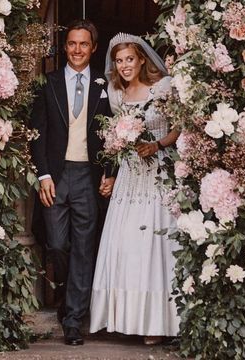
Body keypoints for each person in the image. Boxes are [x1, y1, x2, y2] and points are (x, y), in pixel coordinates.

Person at [90, 33, 181, 345]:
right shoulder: (116, 93)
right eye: (119, 61)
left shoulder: (163, 87)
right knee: (126, 243)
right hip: (130, 175)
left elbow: (178, 126)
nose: (124, 65)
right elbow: (115, 141)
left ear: (142, 59)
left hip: (159, 171)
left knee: (155, 246)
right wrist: (111, 173)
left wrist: (157, 144)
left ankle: (157, 322)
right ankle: (124, 318)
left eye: (129, 59)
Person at [30, 19, 115, 346]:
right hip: (56, 175)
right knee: (56, 245)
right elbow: (37, 134)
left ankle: (74, 320)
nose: (77, 50)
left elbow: (113, 135)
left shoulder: (103, 86)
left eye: (83, 44)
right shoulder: (47, 83)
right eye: (71, 44)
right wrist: (43, 174)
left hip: (87, 177)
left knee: (83, 248)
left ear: (93, 48)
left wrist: (108, 171)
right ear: (64, 47)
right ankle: (67, 294)